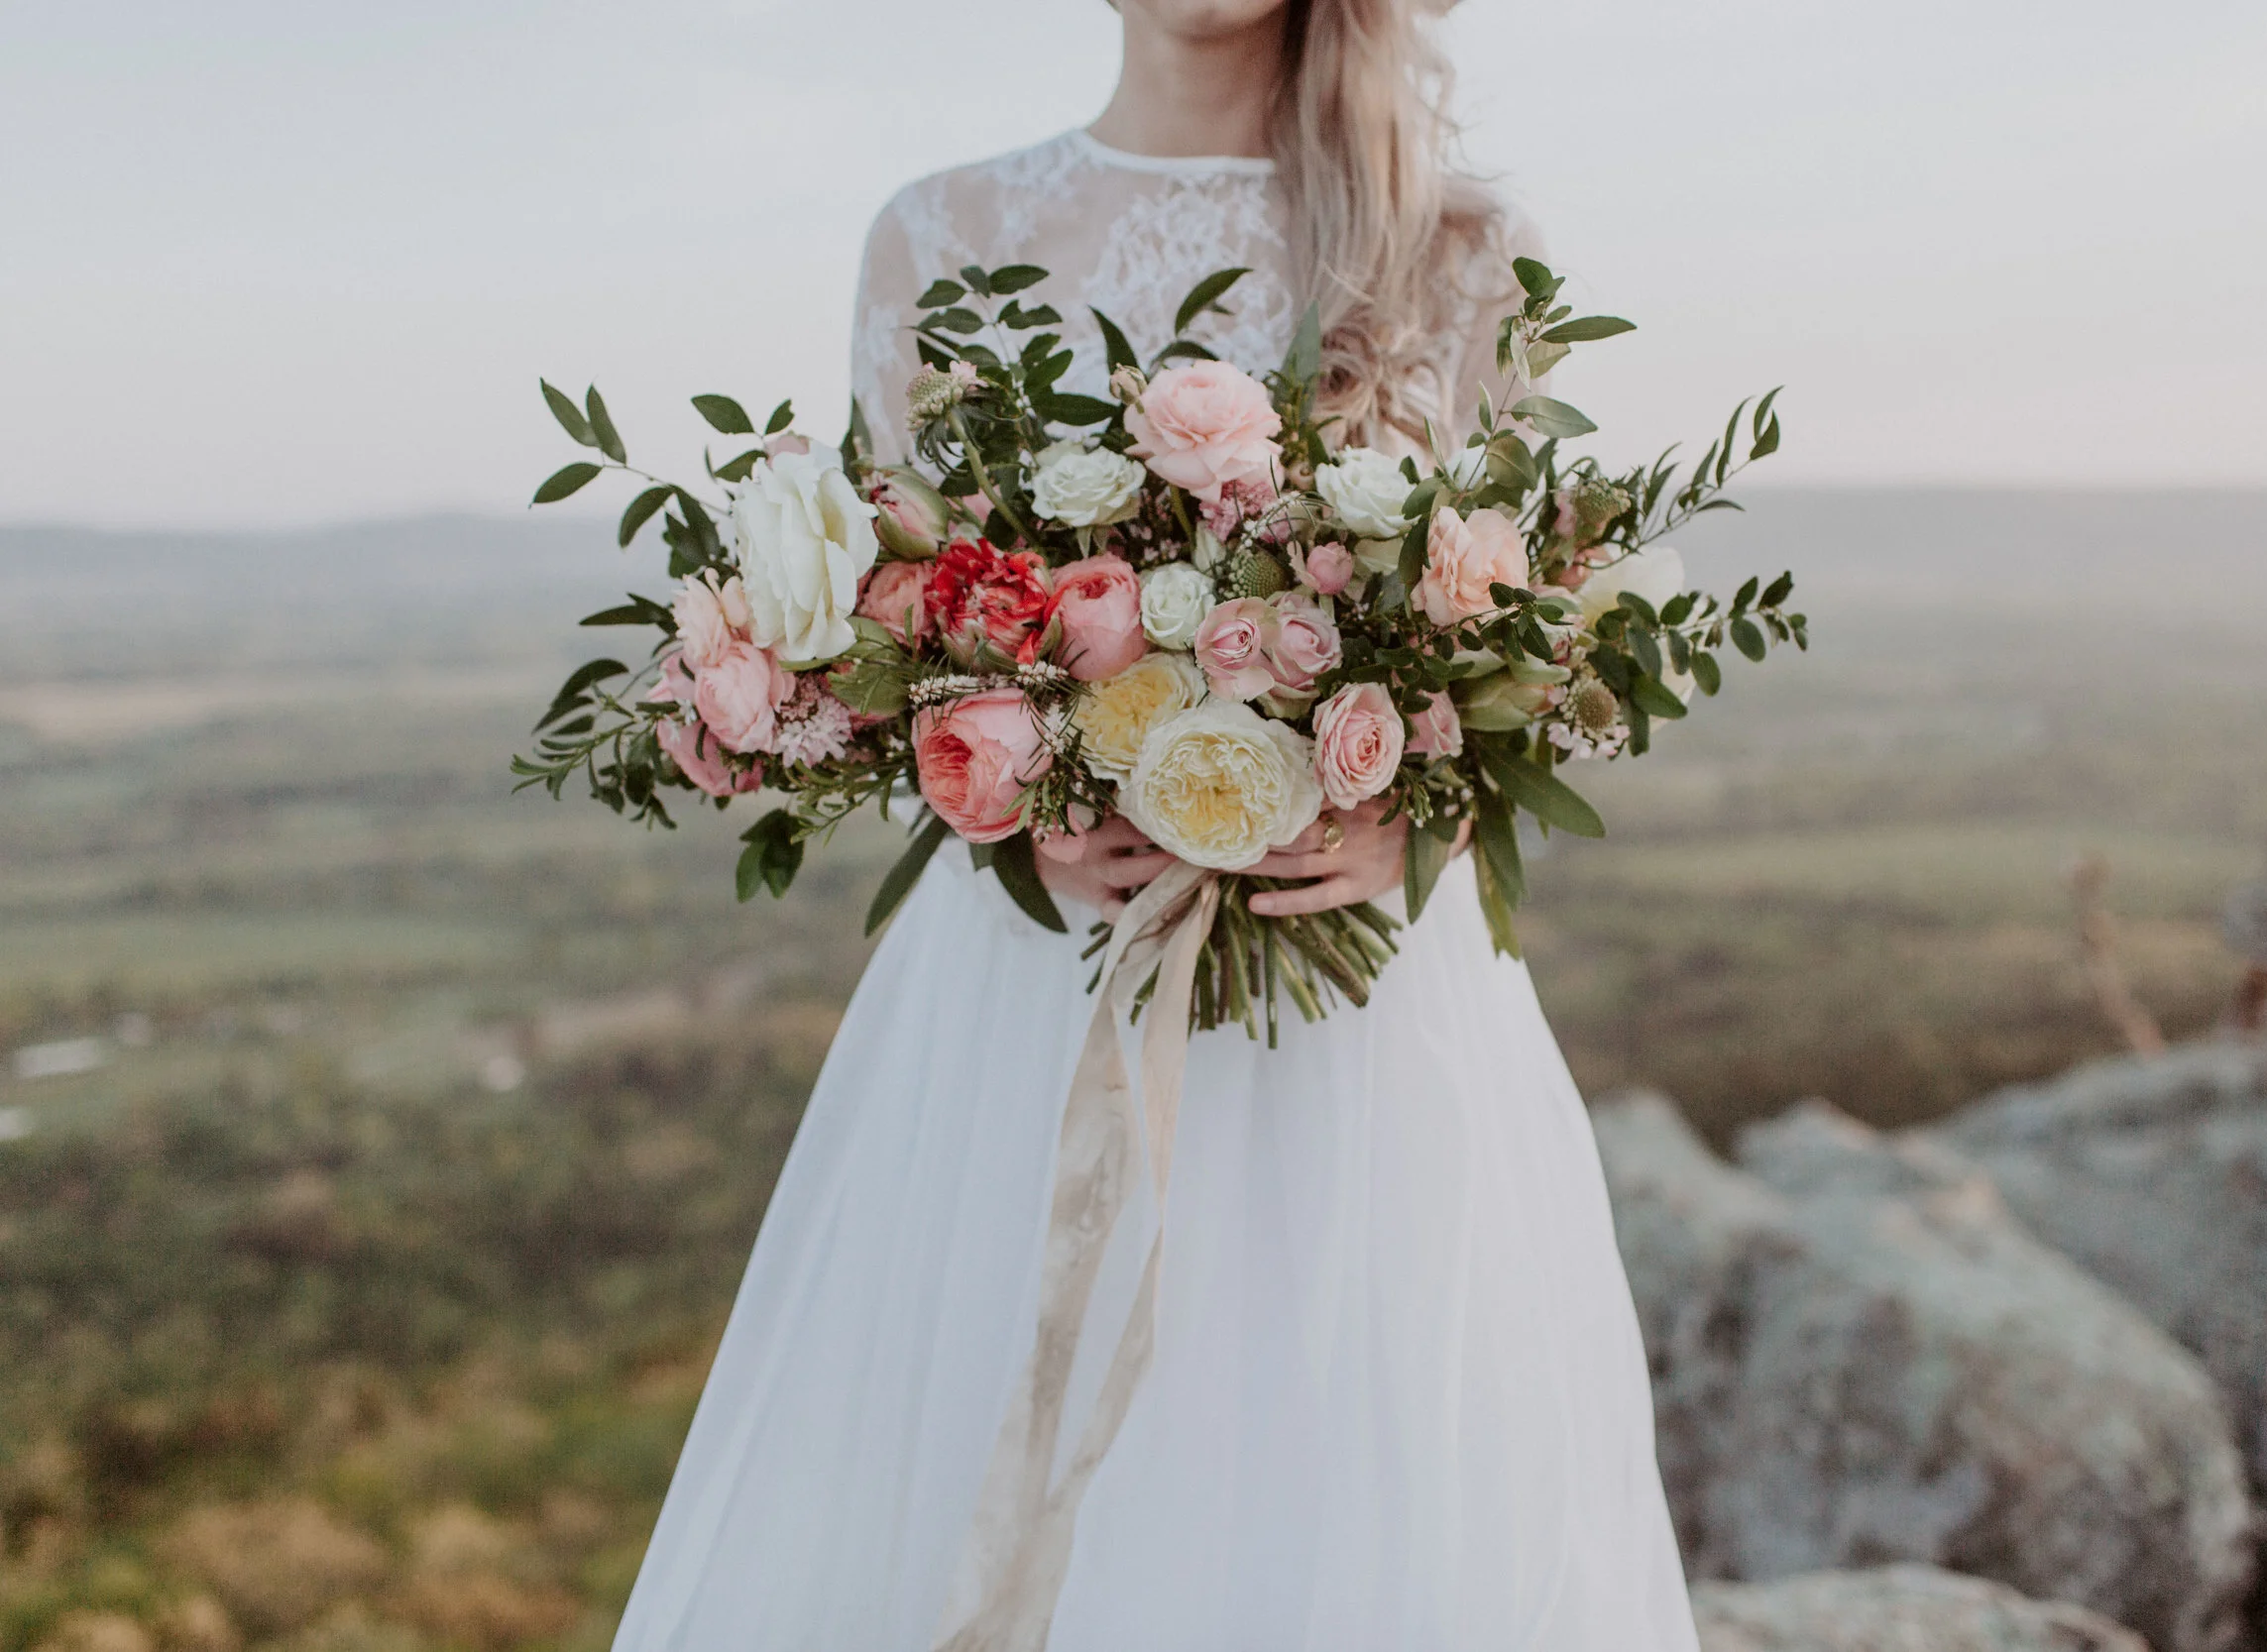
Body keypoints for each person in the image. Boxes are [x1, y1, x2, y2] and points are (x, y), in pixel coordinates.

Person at [612, 2, 1701, 1647]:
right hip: (1027, 1005)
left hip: (1358, 1030)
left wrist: (1410, 814)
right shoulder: (940, 238)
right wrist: (1008, 801)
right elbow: (895, 624)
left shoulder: (1461, 249)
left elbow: (1546, 642)